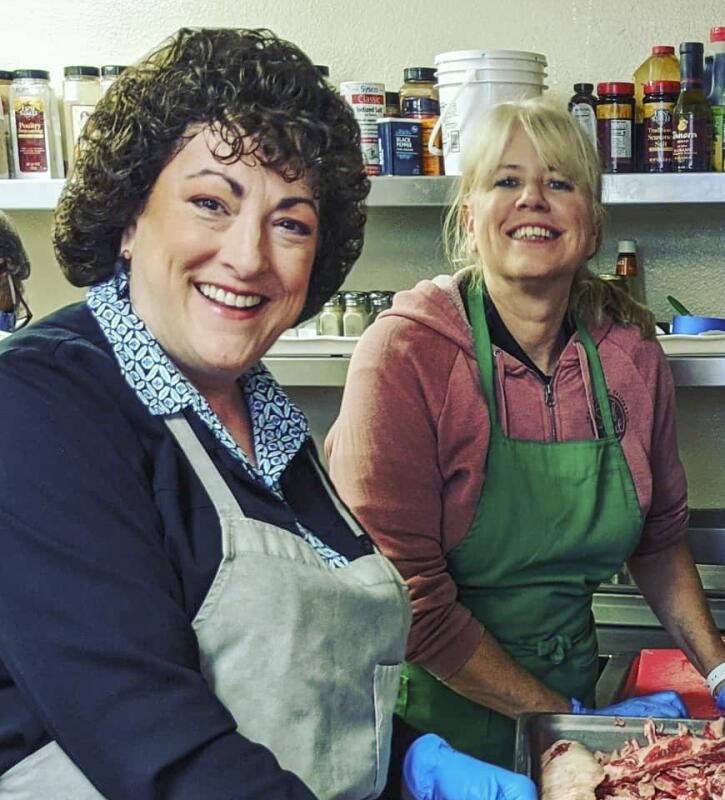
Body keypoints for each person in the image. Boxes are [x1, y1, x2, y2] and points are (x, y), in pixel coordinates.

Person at [0, 28, 533, 800]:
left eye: (291, 222)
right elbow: (154, 742)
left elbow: (307, 688)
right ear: (127, 218)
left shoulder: (266, 419)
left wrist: (410, 760)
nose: (249, 257)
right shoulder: (40, 408)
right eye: (211, 203)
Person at [326, 99, 725, 767]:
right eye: (506, 181)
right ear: (468, 219)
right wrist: (562, 723)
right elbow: (406, 601)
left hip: (573, 706)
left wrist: (720, 673)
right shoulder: (405, 354)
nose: (534, 199)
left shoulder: (628, 355)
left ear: (591, 226)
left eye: (559, 182)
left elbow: (657, 540)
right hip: (422, 735)